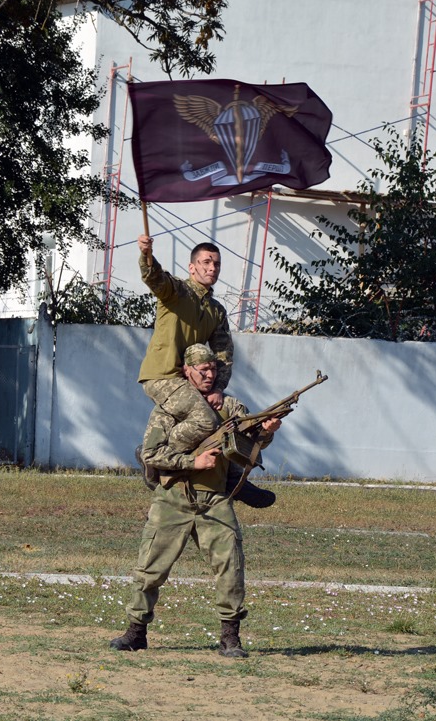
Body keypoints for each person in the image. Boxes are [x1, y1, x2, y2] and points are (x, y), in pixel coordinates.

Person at [110, 344, 282, 658]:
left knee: (230, 567)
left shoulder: (229, 406)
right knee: (150, 569)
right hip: (172, 499)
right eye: (202, 370)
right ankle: (135, 633)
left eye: (213, 370)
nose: (209, 375)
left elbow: (251, 441)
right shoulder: (169, 409)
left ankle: (230, 639)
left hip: (214, 501)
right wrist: (194, 462)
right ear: (187, 371)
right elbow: (151, 453)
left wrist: (268, 432)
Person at [136, 234, 234, 458]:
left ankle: (227, 477)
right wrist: (146, 254)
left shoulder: (216, 310)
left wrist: (217, 388)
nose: (212, 268)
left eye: (216, 264)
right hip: (163, 376)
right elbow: (155, 278)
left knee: (228, 415)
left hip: (189, 381)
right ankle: (156, 458)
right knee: (205, 421)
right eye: (206, 262)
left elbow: (223, 354)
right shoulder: (177, 291)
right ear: (192, 267)